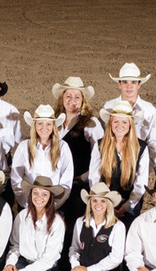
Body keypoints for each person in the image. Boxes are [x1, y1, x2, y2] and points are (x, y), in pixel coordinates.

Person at [51, 77, 101, 249]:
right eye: (68, 96)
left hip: (78, 185)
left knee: (73, 225)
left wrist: (85, 178)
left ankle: (68, 264)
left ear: (83, 100)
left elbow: (99, 155)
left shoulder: (91, 123)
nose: (72, 101)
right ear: (62, 99)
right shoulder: (54, 122)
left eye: (77, 97)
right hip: (56, 184)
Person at [89, 100, 150, 225]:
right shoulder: (100, 145)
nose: (119, 125)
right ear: (110, 123)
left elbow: (141, 182)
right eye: (115, 121)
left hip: (131, 206)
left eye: (124, 122)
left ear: (130, 125)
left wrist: (127, 206)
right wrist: (105, 202)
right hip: (104, 204)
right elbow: (94, 178)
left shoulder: (141, 147)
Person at [103, 63, 156, 173]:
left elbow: (155, 143)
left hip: (139, 163)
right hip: (112, 165)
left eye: (133, 82)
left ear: (139, 84)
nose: (129, 86)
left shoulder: (149, 110)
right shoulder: (108, 107)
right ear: (119, 84)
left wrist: (144, 167)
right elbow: (104, 138)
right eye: (125, 82)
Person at [11, 105, 73, 207]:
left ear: (53, 126)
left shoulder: (63, 147)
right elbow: (16, 178)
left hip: (53, 204)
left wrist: (54, 205)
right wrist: (27, 204)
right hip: (29, 203)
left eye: (48, 123)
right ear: (34, 125)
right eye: (40, 123)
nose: (44, 128)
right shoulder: (24, 147)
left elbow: (66, 180)